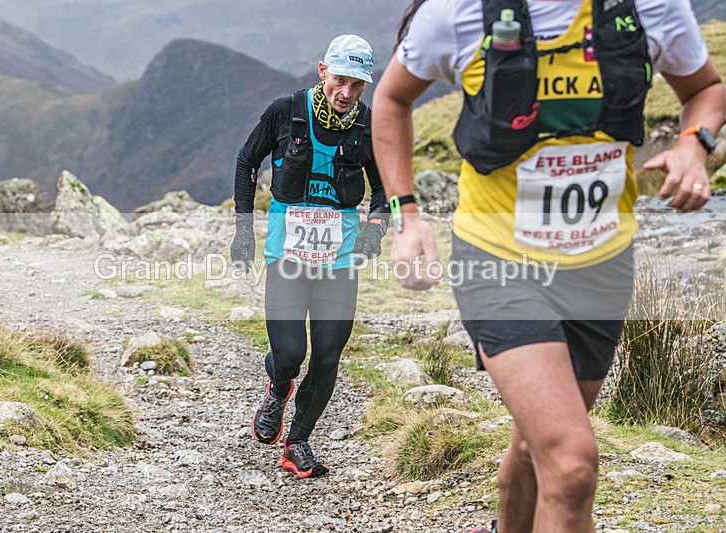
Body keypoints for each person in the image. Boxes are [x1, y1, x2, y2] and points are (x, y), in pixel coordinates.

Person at [372, 0, 724, 531]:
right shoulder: (457, 14)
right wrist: (409, 217)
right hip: (498, 259)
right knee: (572, 462)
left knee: (541, 441)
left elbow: (705, 90)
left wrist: (695, 145)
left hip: (601, 265)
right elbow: (392, 99)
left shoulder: (651, 7)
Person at [230, 34, 388, 478]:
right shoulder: (286, 112)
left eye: (357, 85)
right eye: (340, 80)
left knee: (327, 356)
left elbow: (383, 190)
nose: (346, 93)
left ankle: (297, 440)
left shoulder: (367, 127)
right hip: (286, 256)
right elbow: (247, 161)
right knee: (290, 354)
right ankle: (278, 386)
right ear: (323, 72)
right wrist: (244, 229)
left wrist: (375, 230)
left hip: (339, 263)